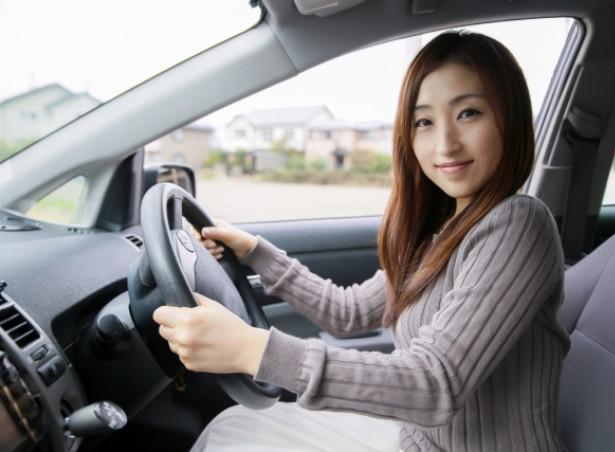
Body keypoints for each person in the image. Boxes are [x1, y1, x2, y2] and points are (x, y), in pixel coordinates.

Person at [153, 30, 571, 452]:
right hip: (417, 441)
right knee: (237, 425)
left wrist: (254, 349)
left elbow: (434, 384)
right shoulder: (440, 235)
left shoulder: (518, 223)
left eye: (469, 113)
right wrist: (256, 252)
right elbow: (346, 313)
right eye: (423, 121)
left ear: (511, 119)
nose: (445, 143)